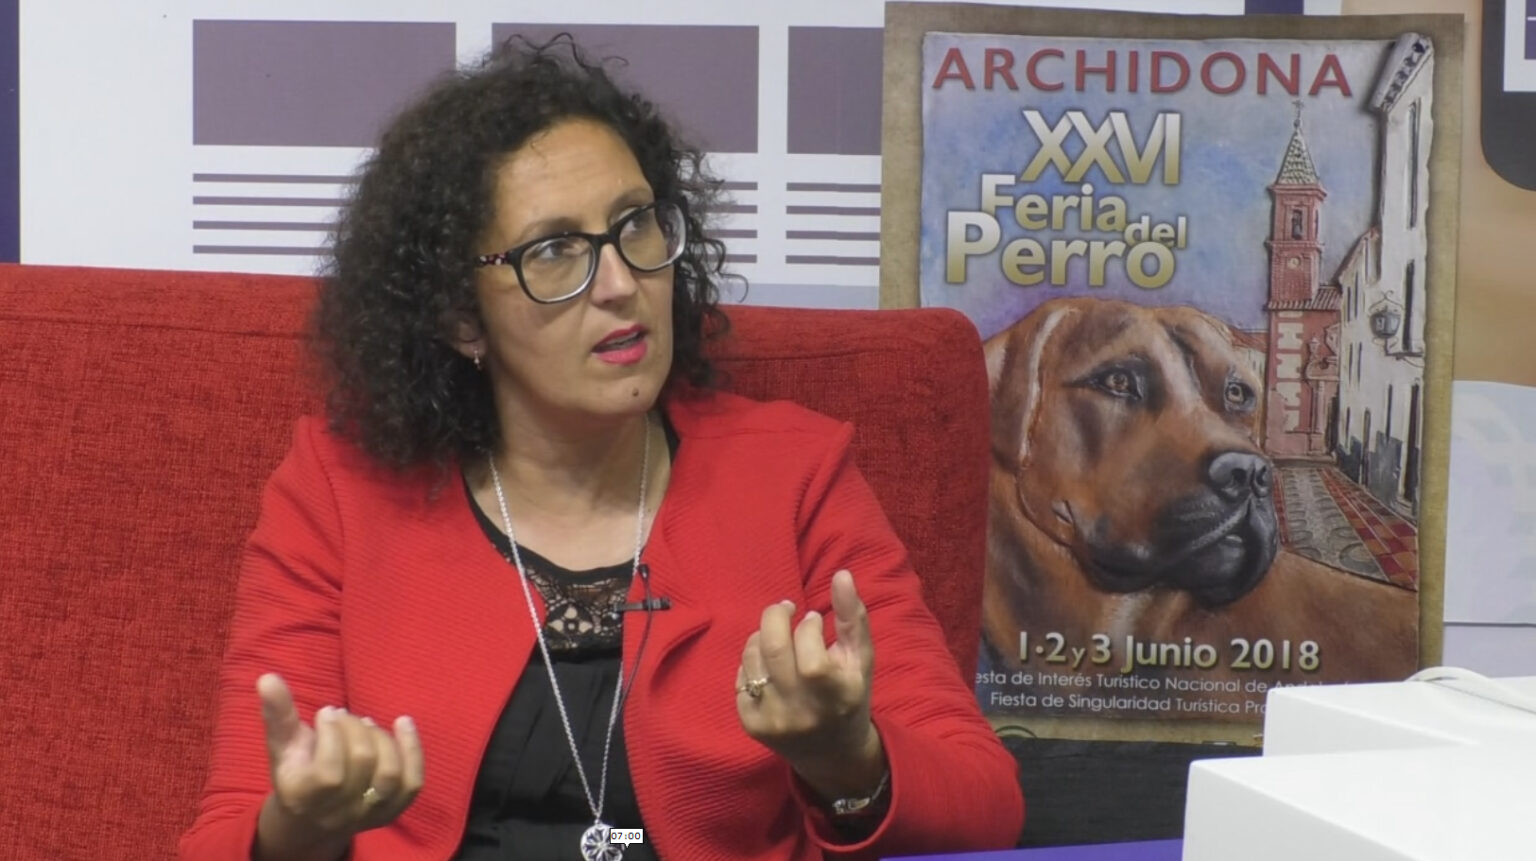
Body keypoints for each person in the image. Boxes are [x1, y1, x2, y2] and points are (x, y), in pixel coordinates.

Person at [178, 34, 1024, 861]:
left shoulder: (794, 474)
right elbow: (230, 829)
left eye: (635, 225)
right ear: (462, 316)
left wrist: (846, 756)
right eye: (554, 251)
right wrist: (306, 826)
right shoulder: (338, 492)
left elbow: (986, 803)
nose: (621, 284)